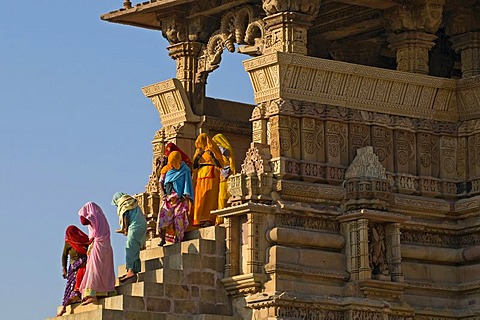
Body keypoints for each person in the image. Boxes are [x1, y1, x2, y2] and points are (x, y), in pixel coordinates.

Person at [78, 202, 116, 305]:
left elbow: (83, 221)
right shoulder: (102, 217)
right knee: (104, 270)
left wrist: (85, 212)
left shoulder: (93, 216)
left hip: (98, 246)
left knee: (94, 270)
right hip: (106, 246)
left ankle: (92, 295)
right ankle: (104, 292)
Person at [157, 151, 194, 246]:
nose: (172, 163)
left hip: (180, 199)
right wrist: (163, 194)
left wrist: (185, 195)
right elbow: (160, 182)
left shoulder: (184, 169)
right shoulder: (166, 169)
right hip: (168, 199)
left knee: (179, 220)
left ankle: (178, 239)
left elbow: (187, 183)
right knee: (163, 219)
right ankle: (162, 239)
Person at [111, 192, 147, 282]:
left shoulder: (124, 204)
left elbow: (126, 216)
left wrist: (125, 229)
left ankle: (130, 270)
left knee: (130, 247)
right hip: (142, 225)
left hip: (135, 226)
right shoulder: (132, 202)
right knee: (135, 247)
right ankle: (134, 270)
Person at [192, 133, 225, 226]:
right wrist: (198, 156)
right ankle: (198, 219)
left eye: (200, 141)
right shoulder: (198, 152)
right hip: (200, 176)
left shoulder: (213, 150)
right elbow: (194, 165)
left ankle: (209, 219)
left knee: (210, 198)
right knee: (200, 198)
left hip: (212, 176)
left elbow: (219, 164)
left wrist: (212, 156)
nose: (199, 144)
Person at [57, 225, 89, 317]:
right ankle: (64, 307)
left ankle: (80, 297)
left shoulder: (82, 240)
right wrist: (64, 269)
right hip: (73, 266)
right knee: (69, 287)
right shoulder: (68, 243)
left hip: (84, 264)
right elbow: (64, 256)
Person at [212, 133, 236, 224]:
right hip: (223, 175)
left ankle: (221, 219)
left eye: (216, 143)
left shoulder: (225, 149)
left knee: (223, 196)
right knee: (222, 196)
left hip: (226, 175)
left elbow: (223, 160)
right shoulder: (224, 149)